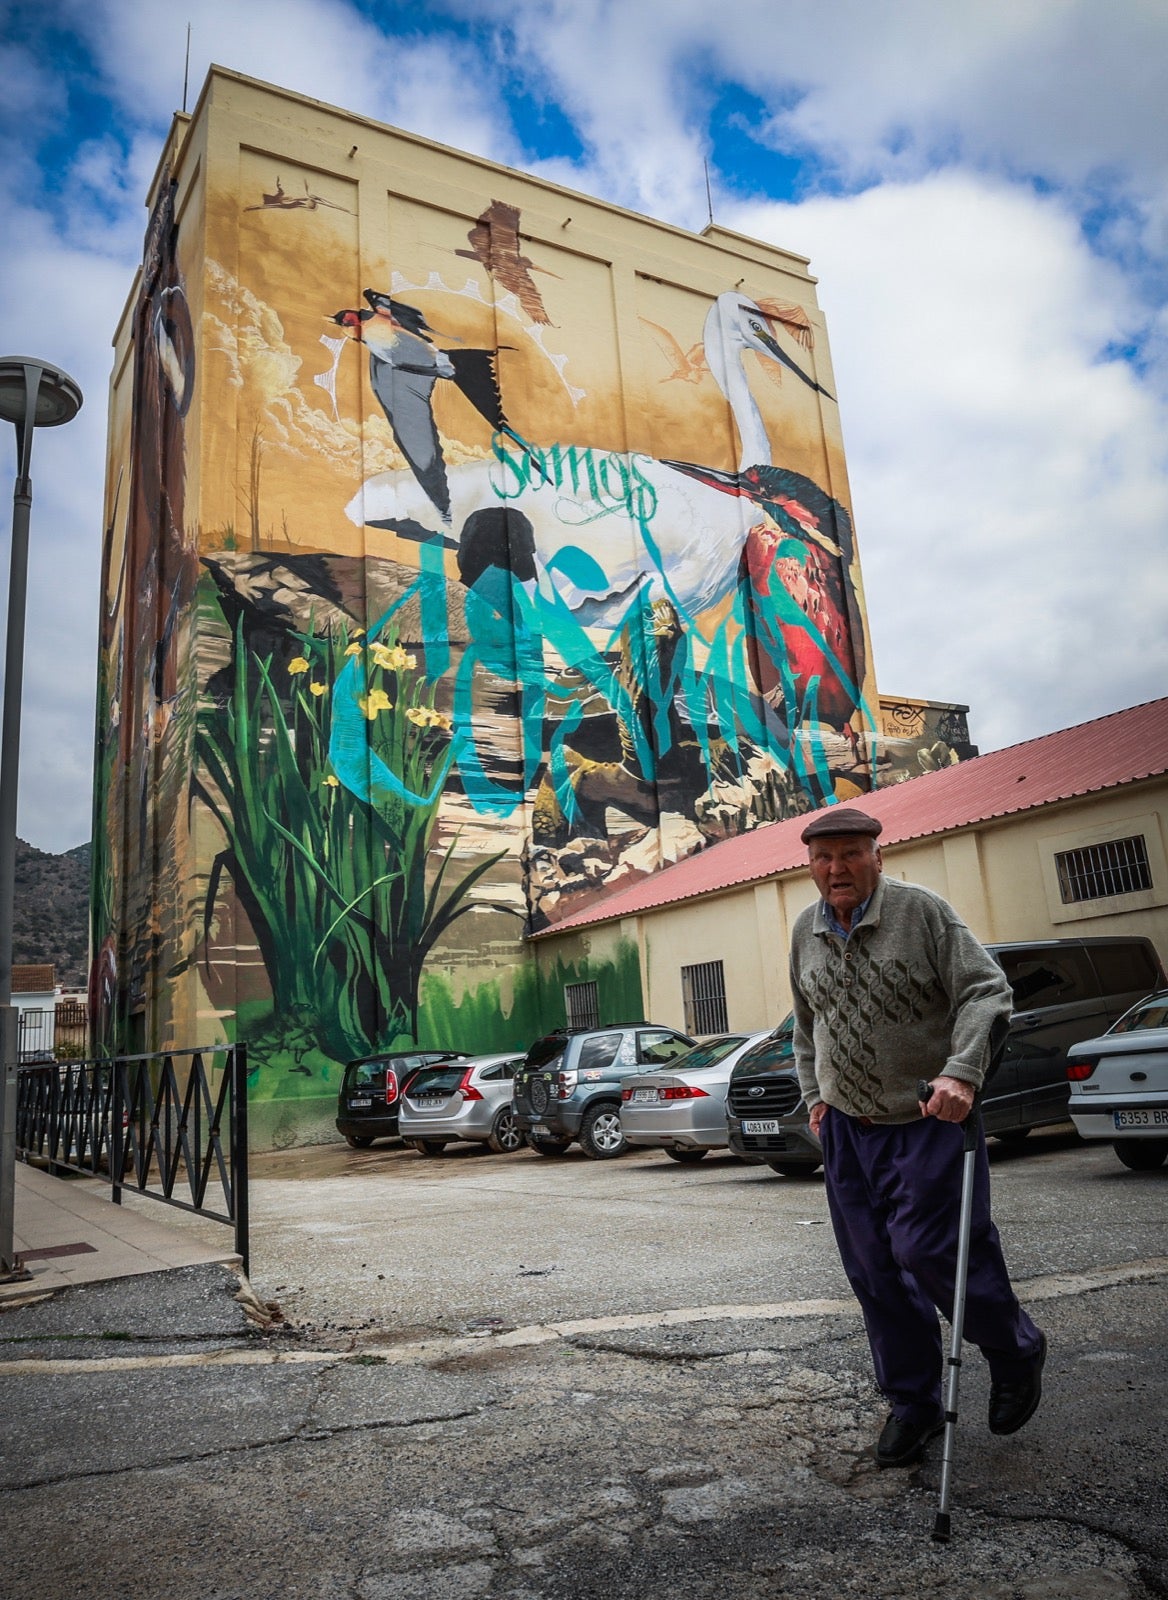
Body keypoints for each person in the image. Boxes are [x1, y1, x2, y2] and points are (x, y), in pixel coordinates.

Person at [789, 806, 1046, 1468]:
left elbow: (987, 993)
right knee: (873, 1271)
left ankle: (1014, 1349)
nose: (836, 869)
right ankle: (914, 1404)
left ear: (878, 855)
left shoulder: (922, 912)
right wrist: (816, 1099)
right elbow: (805, 1026)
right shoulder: (804, 932)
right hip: (848, 1129)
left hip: (930, 1118)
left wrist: (962, 1073)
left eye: (850, 854)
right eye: (823, 858)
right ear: (810, 865)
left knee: (930, 1248)